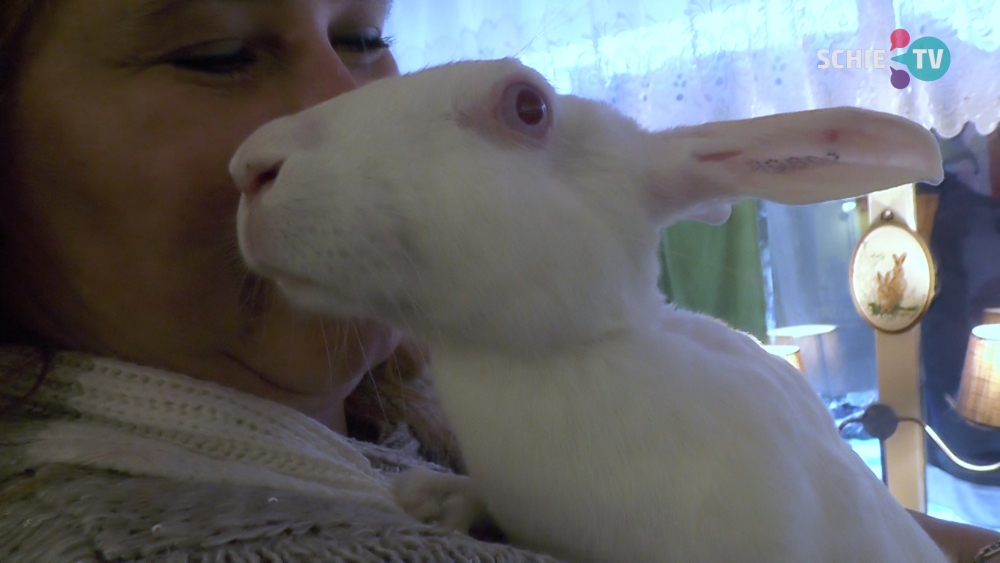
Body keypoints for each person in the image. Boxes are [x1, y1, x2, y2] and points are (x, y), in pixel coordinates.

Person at [0, 0, 996, 561]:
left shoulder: (411, 413)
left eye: (361, 37)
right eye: (211, 53)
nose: (329, 105)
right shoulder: (130, 532)